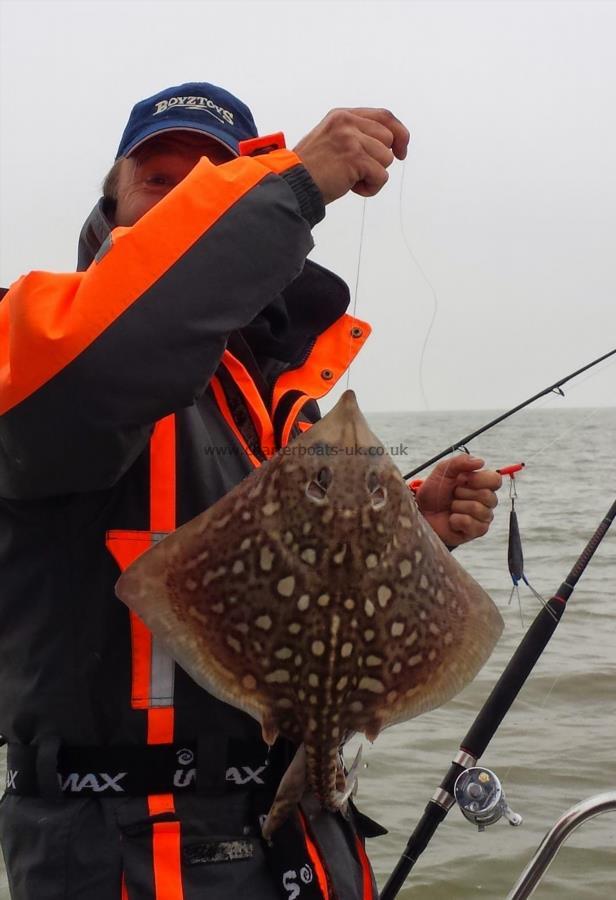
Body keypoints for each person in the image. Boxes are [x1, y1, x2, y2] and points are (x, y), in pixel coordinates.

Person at [0, 82, 501, 900]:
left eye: (209, 185)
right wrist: (295, 187)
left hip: (298, 839)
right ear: (110, 200)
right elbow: (106, 365)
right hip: (129, 854)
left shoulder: (260, 396)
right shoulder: (35, 343)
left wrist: (413, 531)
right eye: (161, 180)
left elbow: (282, 578)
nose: (186, 202)